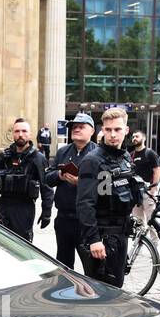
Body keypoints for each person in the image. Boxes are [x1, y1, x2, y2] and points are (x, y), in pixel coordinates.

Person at [75, 107, 138, 289]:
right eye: (108, 130)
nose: (112, 135)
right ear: (102, 130)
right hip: (101, 237)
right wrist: (94, 239)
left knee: (116, 286)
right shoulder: (92, 161)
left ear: (126, 130)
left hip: (120, 234)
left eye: (117, 130)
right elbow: (85, 204)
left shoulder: (125, 157)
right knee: (100, 291)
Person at [43, 112, 100, 268]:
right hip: (64, 219)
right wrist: (60, 175)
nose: (76, 129)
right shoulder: (63, 152)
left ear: (92, 131)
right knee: (63, 265)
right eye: (74, 127)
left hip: (86, 220)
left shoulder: (98, 154)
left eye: (81, 127)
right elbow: (47, 177)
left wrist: (81, 183)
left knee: (92, 266)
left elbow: (104, 186)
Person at [0, 118, 53, 242]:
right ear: (13, 134)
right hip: (3, 204)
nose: (20, 134)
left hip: (24, 208)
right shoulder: (6, 155)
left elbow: (47, 187)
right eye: (17, 131)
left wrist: (47, 212)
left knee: (21, 243)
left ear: (30, 134)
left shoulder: (38, 158)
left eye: (24, 131)